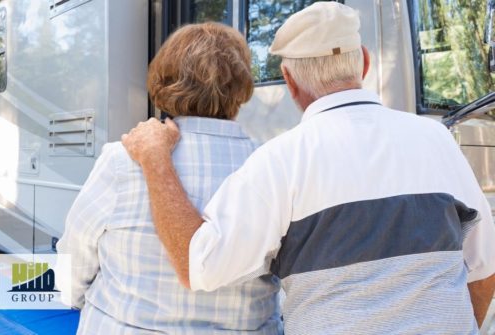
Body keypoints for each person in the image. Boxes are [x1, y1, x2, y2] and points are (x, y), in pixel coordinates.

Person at [121, 2, 495, 334]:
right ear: (364, 61)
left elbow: (198, 265)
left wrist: (155, 159)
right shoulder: (437, 139)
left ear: (289, 80)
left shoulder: (280, 160)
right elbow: (483, 271)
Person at [55, 22, 282, 334]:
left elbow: (73, 263)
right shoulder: (272, 166)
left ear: (163, 82)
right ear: (241, 87)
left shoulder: (121, 160)